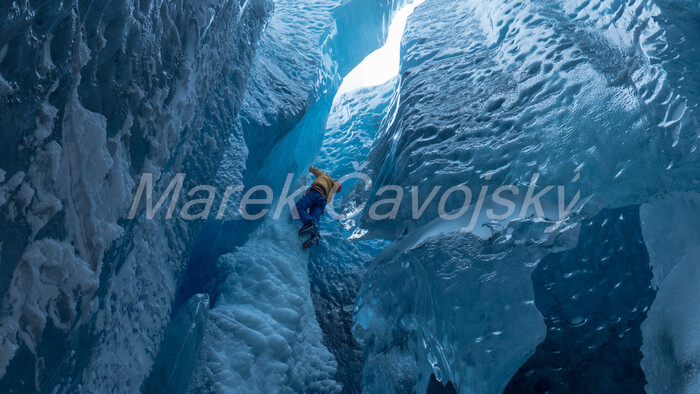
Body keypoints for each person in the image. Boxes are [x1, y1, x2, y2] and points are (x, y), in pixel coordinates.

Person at [295, 166, 341, 248]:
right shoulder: (330, 192)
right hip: (322, 202)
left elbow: (315, 170)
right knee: (315, 218)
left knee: (298, 208)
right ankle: (315, 235)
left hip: (316, 192)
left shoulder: (325, 176)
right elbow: (325, 205)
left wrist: (311, 168)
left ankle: (309, 222)